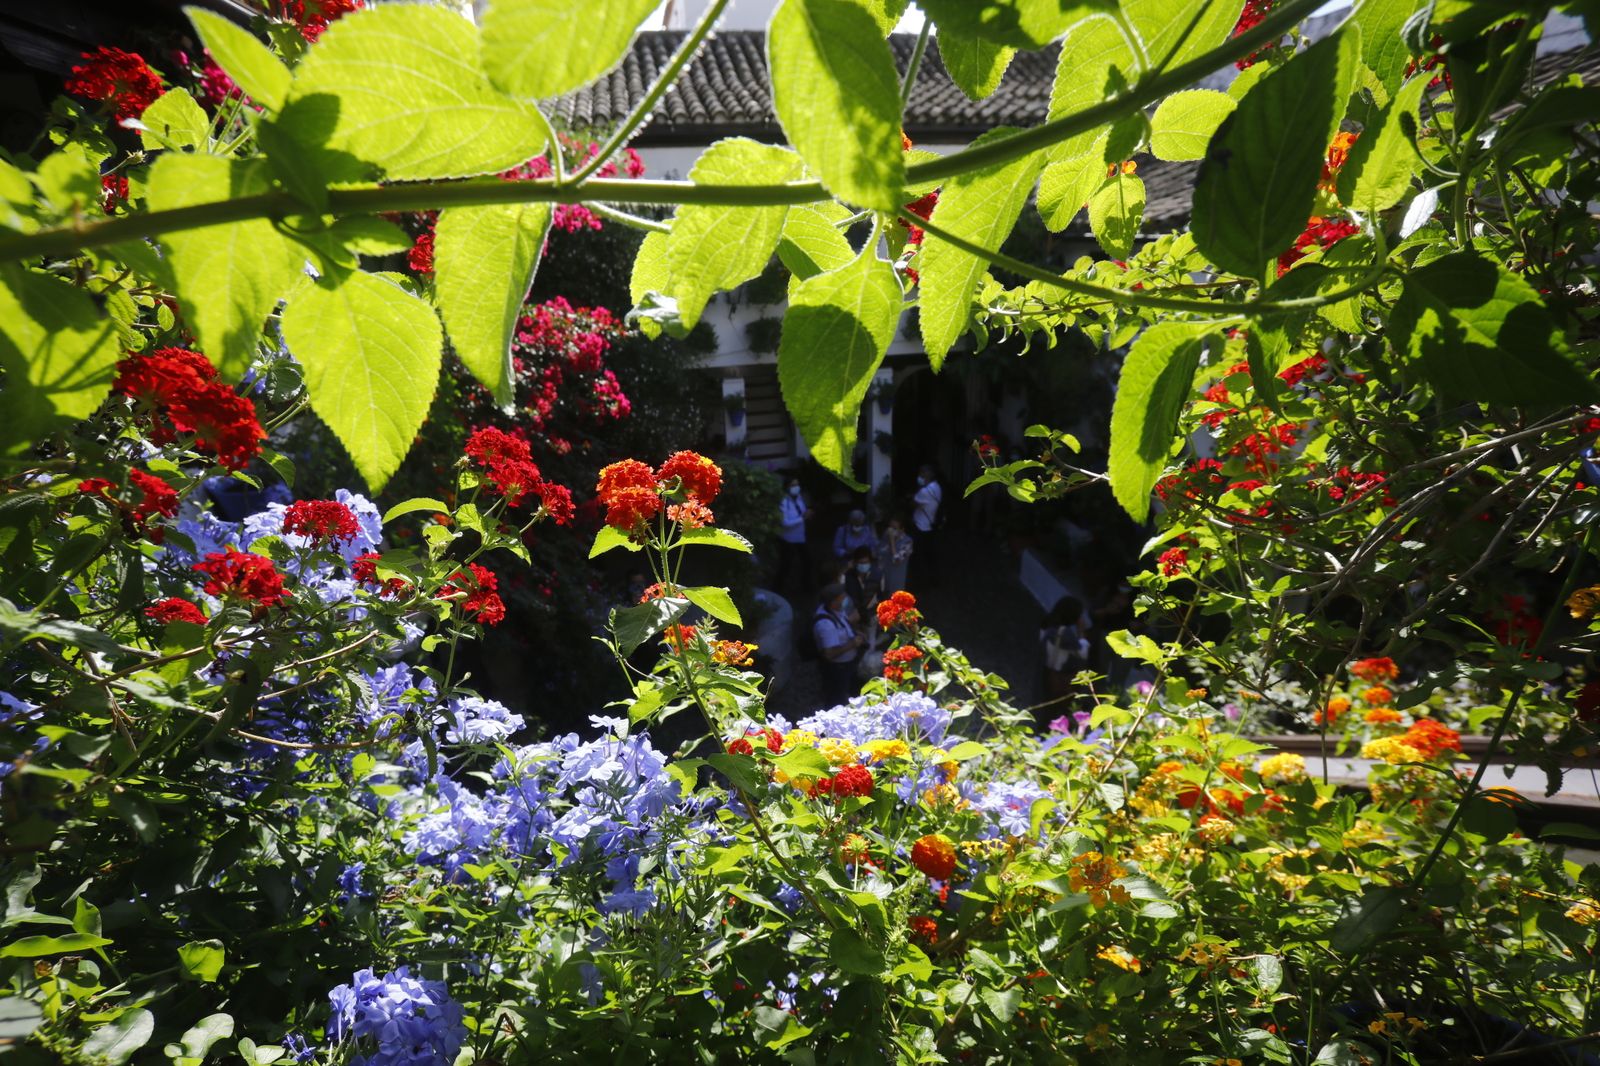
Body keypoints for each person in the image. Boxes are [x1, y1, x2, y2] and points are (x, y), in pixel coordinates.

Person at [813, 583, 864, 705]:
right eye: (842, 598)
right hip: (838, 669)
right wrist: (852, 644)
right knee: (837, 700)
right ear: (833, 601)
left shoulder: (835, 611)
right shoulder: (826, 625)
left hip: (847, 666)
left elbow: (844, 624)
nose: (845, 600)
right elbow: (829, 653)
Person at [1040, 595, 1091, 711]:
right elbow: (1083, 653)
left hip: (1045, 670)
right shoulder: (1065, 633)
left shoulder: (1047, 623)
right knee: (1056, 708)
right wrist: (1081, 632)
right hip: (1061, 674)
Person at [775, 476, 811, 597]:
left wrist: (806, 515)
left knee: (806, 562)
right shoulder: (784, 502)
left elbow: (802, 512)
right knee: (786, 565)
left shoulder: (799, 498)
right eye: (793, 485)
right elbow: (785, 523)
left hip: (800, 538)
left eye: (797, 485)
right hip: (788, 539)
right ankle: (778, 589)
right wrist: (803, 518)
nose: (796, 488)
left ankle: (806, 588)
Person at [908, 464, 943, 588]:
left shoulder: (924, 491)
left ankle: (920, 582)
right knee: (930, 555)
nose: (920, 476)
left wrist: (918, 489)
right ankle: (933, 579)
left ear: (930, 474)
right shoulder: (937, 487)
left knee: (918, 556)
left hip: (920, 526)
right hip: (930, 525)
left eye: (923, 473)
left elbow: (913, 503)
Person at [844, 546, 884, 648]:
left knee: (870, 640)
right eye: (860, 563)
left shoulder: (877, 575)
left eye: (865, 562)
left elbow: (883, 595)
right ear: (855, 563)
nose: (863, 565)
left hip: (871, 613)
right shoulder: (849, 576)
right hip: (854, 613)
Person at [881, 514, 913, 594]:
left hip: (896, 580)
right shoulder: (886, 535)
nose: (891, 531)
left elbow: (897, 560)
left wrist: (892, 541)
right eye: (890, 527)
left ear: (902, 529)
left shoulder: (907, 542)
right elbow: (880, 551)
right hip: (884, 577)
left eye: (894, 528)